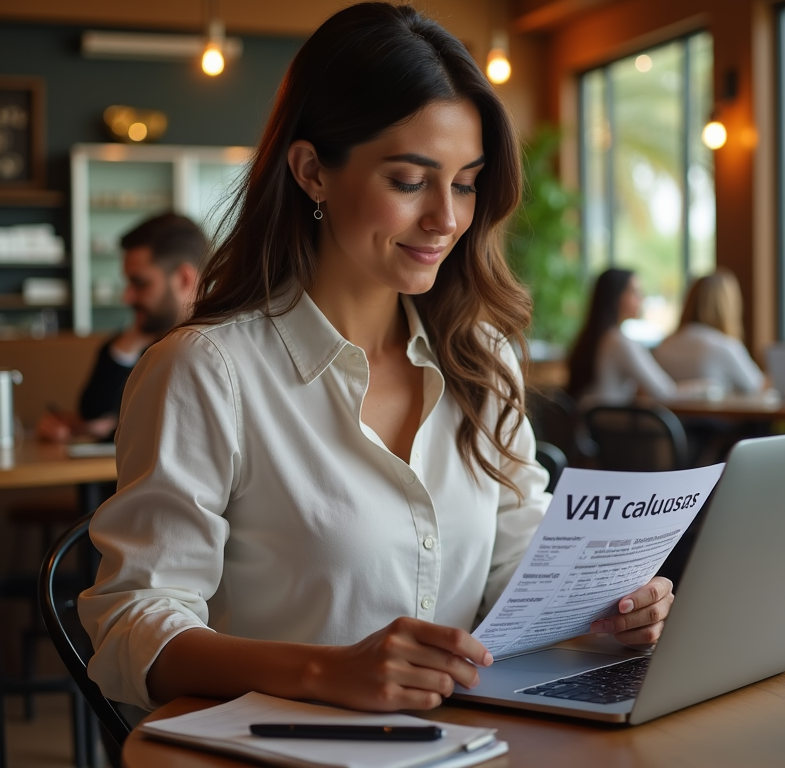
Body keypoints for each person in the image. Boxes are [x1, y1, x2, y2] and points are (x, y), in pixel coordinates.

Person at [79, 3, 673, 718]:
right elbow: (130, 628)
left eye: (463, 182)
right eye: (409, 180)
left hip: (465, 746)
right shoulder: (207, 370)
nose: (447, 219)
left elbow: (517, 567)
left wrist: (603, 604)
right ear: (311, 172)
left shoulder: (480, 361)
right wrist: (326, 672)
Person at [35, 213, 205, 442]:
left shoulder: (213, 350)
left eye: (140, 283)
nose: (127, 297)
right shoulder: (141, 340)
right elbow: (93, 411)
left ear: (184, 279)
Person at [567, 268, 679, 406]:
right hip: (610, 425)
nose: (642, 298)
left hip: (591, 424)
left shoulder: (594, 338)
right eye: (635, 292)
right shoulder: (617, 341)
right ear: (616, 297)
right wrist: (705, 390)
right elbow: (664, 392)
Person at [653, 269, 764, 396]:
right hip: (718, 415)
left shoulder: (663, 347)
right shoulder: (724, 346)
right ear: (728, 307)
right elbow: (757, 387)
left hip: (668, 416)